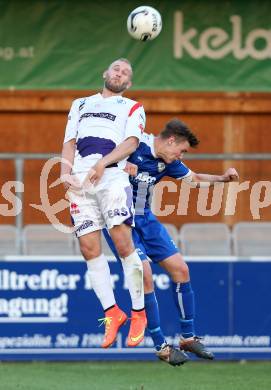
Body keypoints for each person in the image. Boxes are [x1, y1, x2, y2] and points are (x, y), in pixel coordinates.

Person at [103, 118, 239, 364]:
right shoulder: (133, 145)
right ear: (171, 140)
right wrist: (119, 168)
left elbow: (193, 179)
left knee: (181, 269)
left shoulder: (168, 161)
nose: (181, 156)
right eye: (182, 150)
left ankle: (187, 338)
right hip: (120, 220)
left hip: (146, 219)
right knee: (144, 274)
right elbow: (100, 162)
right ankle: (161, 347)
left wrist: (222, 178)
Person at [60, 58, 147, 349]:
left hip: (111, 178)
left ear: (128, 83)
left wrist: (103, 163)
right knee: (88, 249)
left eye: (125, 73)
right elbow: (69, 142)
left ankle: (138, 313)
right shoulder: (80, 104)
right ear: (105, 72)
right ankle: (113, 313)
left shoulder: (132, 107)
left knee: (123, 243)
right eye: (116, 69)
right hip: (81, 182)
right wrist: (64, 172)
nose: (119, 73)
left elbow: (131, 143)